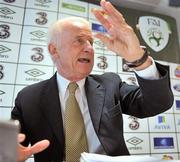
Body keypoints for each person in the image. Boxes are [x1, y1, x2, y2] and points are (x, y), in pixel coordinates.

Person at [11, 0, 174, 162]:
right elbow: (13, 148)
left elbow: (158, 103)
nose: (89, 48)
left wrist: (138, 58)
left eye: (91, 42)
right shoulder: (28, 98)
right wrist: (9, 155)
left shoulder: (110, 83)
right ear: (54, 50)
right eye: (79, 40)